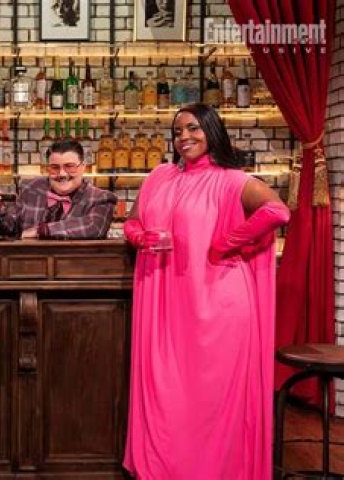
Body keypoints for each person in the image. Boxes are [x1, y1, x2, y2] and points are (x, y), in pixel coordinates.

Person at [122, 103, 290, 479]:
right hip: (167, 302)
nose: (184, 137)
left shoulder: (231, 180)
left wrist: (227, 242)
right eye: (177, 131)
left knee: (211, 399)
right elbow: (132, 221)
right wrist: (140, 237)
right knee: (168, 395)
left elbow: (278, 212)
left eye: (193, 128)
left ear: (212, 131)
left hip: (218, 306)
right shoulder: (159, 176)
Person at [0, 139, 116, 239]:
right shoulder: (30, 188)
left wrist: (42, 230)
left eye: (69, 166)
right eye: (55, 167)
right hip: (29, 262)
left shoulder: (100, 198)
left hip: (76, 263)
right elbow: (7, 230)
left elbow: (93, 227)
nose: (62, 174)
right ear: (47, 169)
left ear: (83, 167)